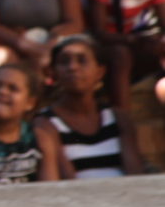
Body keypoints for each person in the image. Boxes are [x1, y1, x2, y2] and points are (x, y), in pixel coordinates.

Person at [82, 0, 165, 133]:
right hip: (94, 41)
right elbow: (99, 32)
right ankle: (123, 125)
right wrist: (134, 41)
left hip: (129, 38)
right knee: (121, 55)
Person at [37, 34, 137, 179]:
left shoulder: (118, 118)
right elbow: (65, 181)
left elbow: (135, 175)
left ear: (100, 72)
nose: (72, 67)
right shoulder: (46, 123)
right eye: (64, 62)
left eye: (82, 61)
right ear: (53, 73)